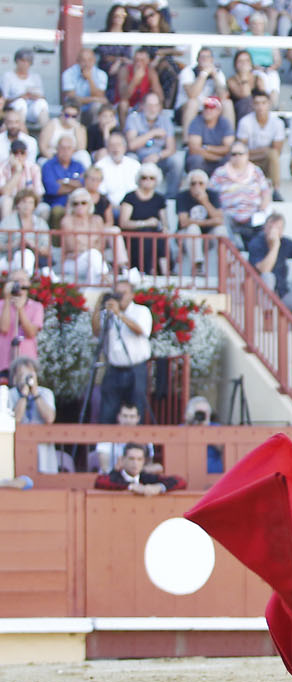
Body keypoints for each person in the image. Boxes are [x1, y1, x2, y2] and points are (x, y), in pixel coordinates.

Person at [92, 277, 153, 425]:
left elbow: (141, 330)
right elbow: (96, 332)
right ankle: (106, 445)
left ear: (132, 295)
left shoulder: (141, 311)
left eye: (123, 293)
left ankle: (135, 446)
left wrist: (120, 314)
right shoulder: (109, 313)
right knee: (108, 410)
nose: (119, 297)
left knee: (136, 408)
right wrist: (98, 307)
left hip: (136, 367)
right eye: (117, 293)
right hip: (114, 367)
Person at [210, 142, 272, 247]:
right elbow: (211, 193)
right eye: (234, 154)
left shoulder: (256, 171)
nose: (237, 157)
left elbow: (265, 192)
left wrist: (263, 206)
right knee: (222, 223)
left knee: (267, 222)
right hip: (228, 213)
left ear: (247, 155)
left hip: (252, 213)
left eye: (240, 154)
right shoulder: (220, 172)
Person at [125, 92, 182, 196]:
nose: (153, 109)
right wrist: (153, 133)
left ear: (160, 107)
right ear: (142, 106)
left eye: (156, 105)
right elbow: (131, 145)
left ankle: (171, 196)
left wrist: (158, 156)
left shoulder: (165, 121)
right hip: (139, 157)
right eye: (150, 105)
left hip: (159, 158)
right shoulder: (133, 118)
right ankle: (133, 195)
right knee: (130, 158)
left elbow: (171, 148)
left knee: (177, 160)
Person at [59, 188, 121, 284]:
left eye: (83, 203)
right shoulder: (67, 221)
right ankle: (104, 279)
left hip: (93, 259)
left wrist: (85, 248)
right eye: (75, 203)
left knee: (93, 258)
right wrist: (90, 248)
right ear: (71, 206)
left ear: (89, 204)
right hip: (73, 262)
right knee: (94, 255)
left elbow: (101, 245)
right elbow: (72, 247)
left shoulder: (97, 220)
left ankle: (92, 287)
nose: (80, 206)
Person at [119, 162, 170, 275]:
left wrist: (165, 228)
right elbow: (124, 223)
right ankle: (146, 271)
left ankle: (165, 273)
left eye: (151, 178)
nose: (147, 180)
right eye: (144, 177)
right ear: (139, 179)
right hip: (133, 237)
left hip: (154, 237)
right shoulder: (130, 197)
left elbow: (164, 222)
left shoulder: (159, 199)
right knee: (146, 233)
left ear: (156, 180)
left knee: (160, 237)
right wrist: (145, 223)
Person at [175, 169, 227, 274]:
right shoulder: (182, 196)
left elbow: (220, 220)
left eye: (200, 183)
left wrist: (205, 201)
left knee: (221, 230)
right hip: (186, 236)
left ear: (206, 185)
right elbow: (183, 222)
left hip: (208, 236)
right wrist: (211, 221)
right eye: (193, 184)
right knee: (193, 229)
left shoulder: (212, 195)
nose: (197, 187)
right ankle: (197, 265)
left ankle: (224, 265)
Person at [237, 89, 286, 201]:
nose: (260, 107)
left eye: (263, 103)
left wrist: (262, 152)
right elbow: (240, 150)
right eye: (257, 103)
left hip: (265, 161)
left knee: (273, 154)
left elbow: (277, 150)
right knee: (239, 157)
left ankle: (276, 190)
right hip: (250, 160)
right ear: (253, 105)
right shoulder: (245, 122)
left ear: (269, 104)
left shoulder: (277, 123)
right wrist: (264, 151)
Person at [93, 442, 185, 495]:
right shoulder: (115, 476)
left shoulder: (146, 477)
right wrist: (131, 486)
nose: (135, 463)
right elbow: (99, 482)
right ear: (123, 460)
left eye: (139, 459)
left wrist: (159, 487)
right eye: (131, 458)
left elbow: (180, 481)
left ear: (143, 461)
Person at [176, 47, 228, 133]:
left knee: (227, 103)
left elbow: (223, 96)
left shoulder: (218, 73)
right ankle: (187, 143)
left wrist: (215, 76)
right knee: (193, 103)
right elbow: (192, 95)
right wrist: (204, 74)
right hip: (185, 111)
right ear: (197, 59)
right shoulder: (188, 71)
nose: (205, 60)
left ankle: (227, 140)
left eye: (208, 57)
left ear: (212, 59)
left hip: (208, 110)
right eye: (202, 57)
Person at [41, 136, 88, 228]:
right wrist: (74, 184)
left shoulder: (78, 165)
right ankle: (56, 242)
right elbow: (53, 189)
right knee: (57, 211)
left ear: (73, 150)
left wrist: (63, 181)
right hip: (57, 203)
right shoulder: (48, 165)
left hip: (77, 203)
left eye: (69, 148)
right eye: (62, 148)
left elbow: (83, 184)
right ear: (57, 149)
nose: (65, 151)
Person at [0, 191, 50, 276]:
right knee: (24, 255)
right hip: (9, 259)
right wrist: (15, 244)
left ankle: (24, 283)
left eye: (30, 202)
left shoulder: (41, 223)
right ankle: (24, 283)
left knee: (27, 254)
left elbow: (46, 250)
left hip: (35, 260)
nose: (27, 205)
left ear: (35, 206)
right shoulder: (8, 221)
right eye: (23, 202)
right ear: (17, 204)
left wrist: (33, 245)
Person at [185, 95, 236, 177]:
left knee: (230, 159)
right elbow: (194, 150)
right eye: (206, 107)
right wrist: (217, 157)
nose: (208, 110)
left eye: (212, 108)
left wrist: (207, 148)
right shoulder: (196, 121)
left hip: (218, 160)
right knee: (196, 159)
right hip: (206, 160)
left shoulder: (225, 123)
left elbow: (228, 148)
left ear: (219, 110)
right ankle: (196, 185)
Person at [0, 273, 42, 370]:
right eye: (16, 280)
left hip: (26, 361)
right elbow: (4, 328)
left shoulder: (36, 306)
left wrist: (20, 308)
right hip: (3, 361)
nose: (19, 283)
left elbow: (31, 333)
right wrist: (7, 299)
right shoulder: (2, 305)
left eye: (23, 280)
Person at [2, 48, 49, 129]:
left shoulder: (35, 77)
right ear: (16, 61)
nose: (25, 64)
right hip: (14, 110)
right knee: (21, 103)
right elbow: (4, 100)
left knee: (42, 103)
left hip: (31, 109)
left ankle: (46, 132)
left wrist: (34, 96)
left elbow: (43, 97)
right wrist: (20, 97)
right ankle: (19, 131)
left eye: (28, 61)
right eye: (22, 61)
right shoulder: (8, 76)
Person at [62, 48, 111, 123]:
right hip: (75, 107)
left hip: (91, 109)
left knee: (97, 106)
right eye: (83, 60)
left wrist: (90, 79)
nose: (87, 63)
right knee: (73, 107)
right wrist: (93, 99)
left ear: (94, 60)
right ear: (78, 61)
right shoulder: (68, 73)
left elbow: (99, 96)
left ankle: (95, 133)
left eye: (90, 60)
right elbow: (72, 99)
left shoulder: (101, 74)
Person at [0, 140, 44, 221]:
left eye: (22, 153)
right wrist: (18, 171)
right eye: (15, 153)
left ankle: (36, 232)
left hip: (29, 202)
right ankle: (6, 232)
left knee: (44, 208)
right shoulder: (2, 167)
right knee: (6, 201)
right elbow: (4, 192)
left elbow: (39, 193)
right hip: (11, 202)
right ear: (10, 153)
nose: (19, 156)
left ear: (26, 154)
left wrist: (26, 204)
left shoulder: (34, 168)